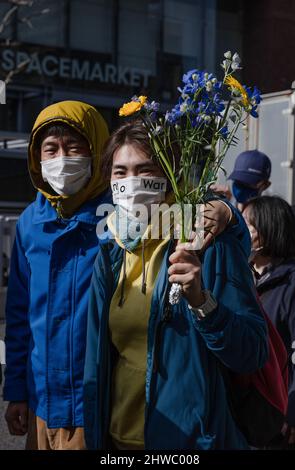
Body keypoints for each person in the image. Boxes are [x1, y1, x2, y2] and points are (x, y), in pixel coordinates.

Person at [83, 120, 268, 450]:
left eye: (145, 169)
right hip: (117, 442)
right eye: (120, 172)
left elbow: (252, 352)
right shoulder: (110, 251)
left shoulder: (203, 242)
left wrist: (202, 303)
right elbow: (98, 363)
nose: (132, 183)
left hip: (188, 444)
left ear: (167, 173)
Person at [3, 100, 111, 450]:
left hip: (97, 407)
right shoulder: (29, 224)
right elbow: (19, 316)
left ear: (97, 152)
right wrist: (16, 390)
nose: (62, 158)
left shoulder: (122, 220)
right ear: (37, 157)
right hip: (40, 404)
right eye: (51, 148)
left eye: (74, 147)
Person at [243, 196, 295, 447]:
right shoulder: (246, 279)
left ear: (269, 230)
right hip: (253, 415)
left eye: (247, 225)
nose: (240, 232)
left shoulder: (294, 282)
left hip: (282, 421)